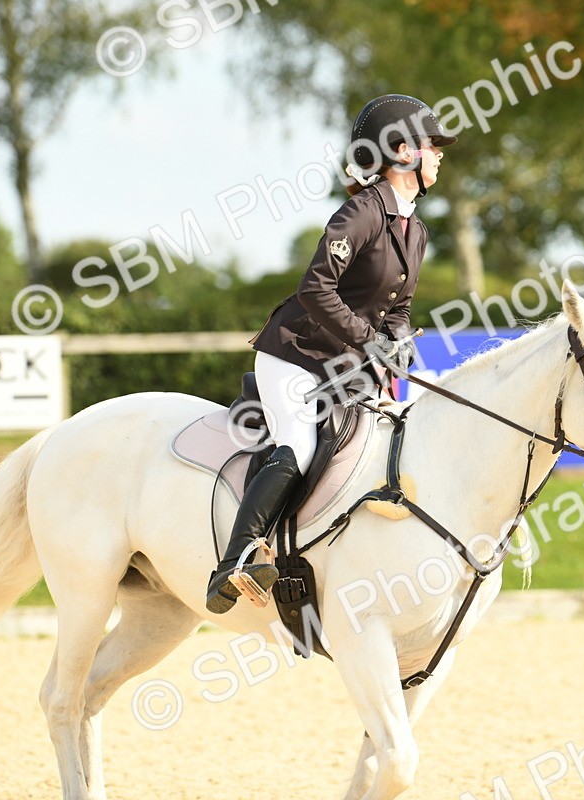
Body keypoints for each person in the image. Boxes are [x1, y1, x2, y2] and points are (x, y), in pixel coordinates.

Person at [205, 93, 457, 614]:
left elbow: (399, 308)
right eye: (433, 146)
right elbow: (318, 289)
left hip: (347, 366)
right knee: (298, 445)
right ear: (404, 152)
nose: (439, 156)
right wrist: (370, 342)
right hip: (295, 354)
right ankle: (235, 559)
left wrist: (400, 342)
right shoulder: (362, 212)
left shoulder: (416, 230)